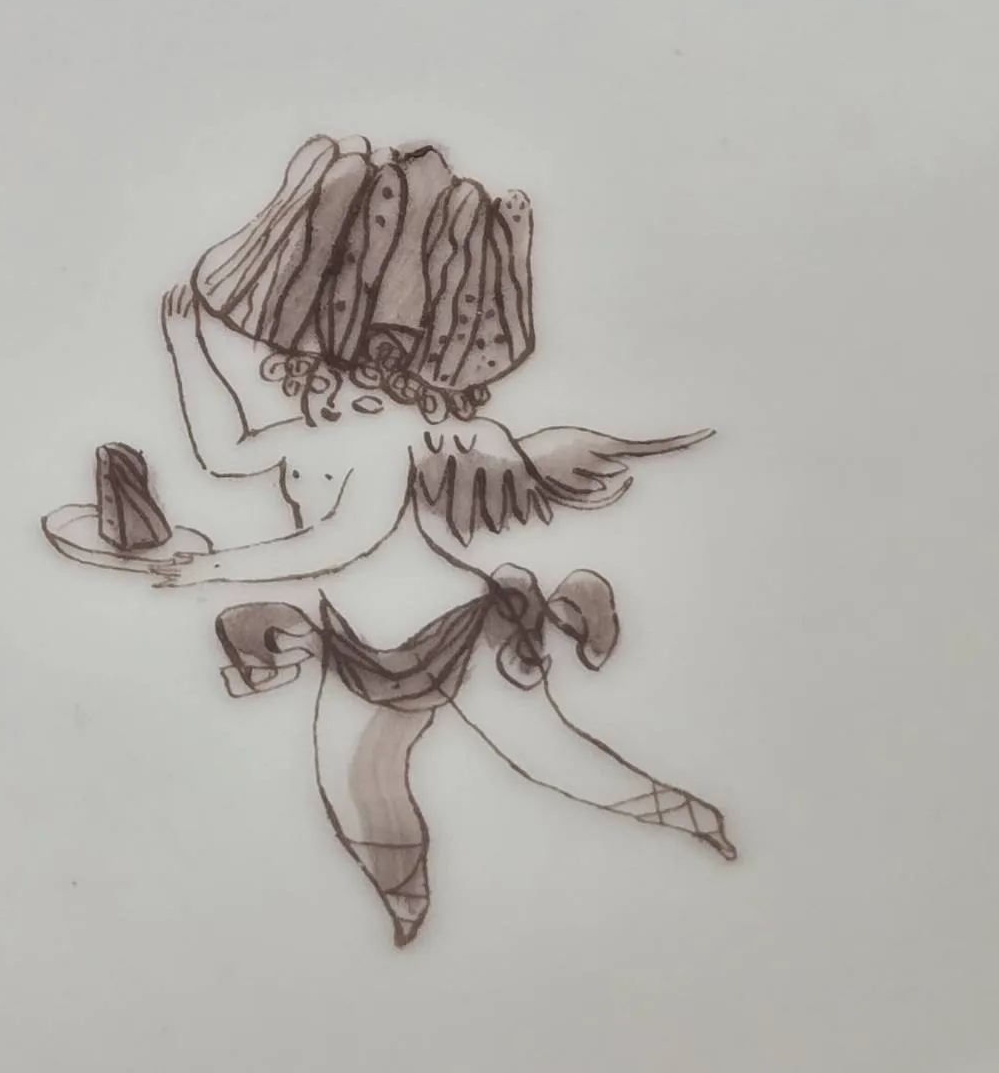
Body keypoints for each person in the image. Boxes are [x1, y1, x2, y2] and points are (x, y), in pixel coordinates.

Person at [150, 134, 736, 948]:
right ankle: (406, 913)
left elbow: (343, 539)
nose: (330, 382)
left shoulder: (383, 438)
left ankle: (695, 818)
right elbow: (224, 454)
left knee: (548, 758)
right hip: (359, 643)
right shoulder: (315, 433)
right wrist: (186, 347)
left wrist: (214, 567)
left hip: (455, 632)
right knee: (354, 783)